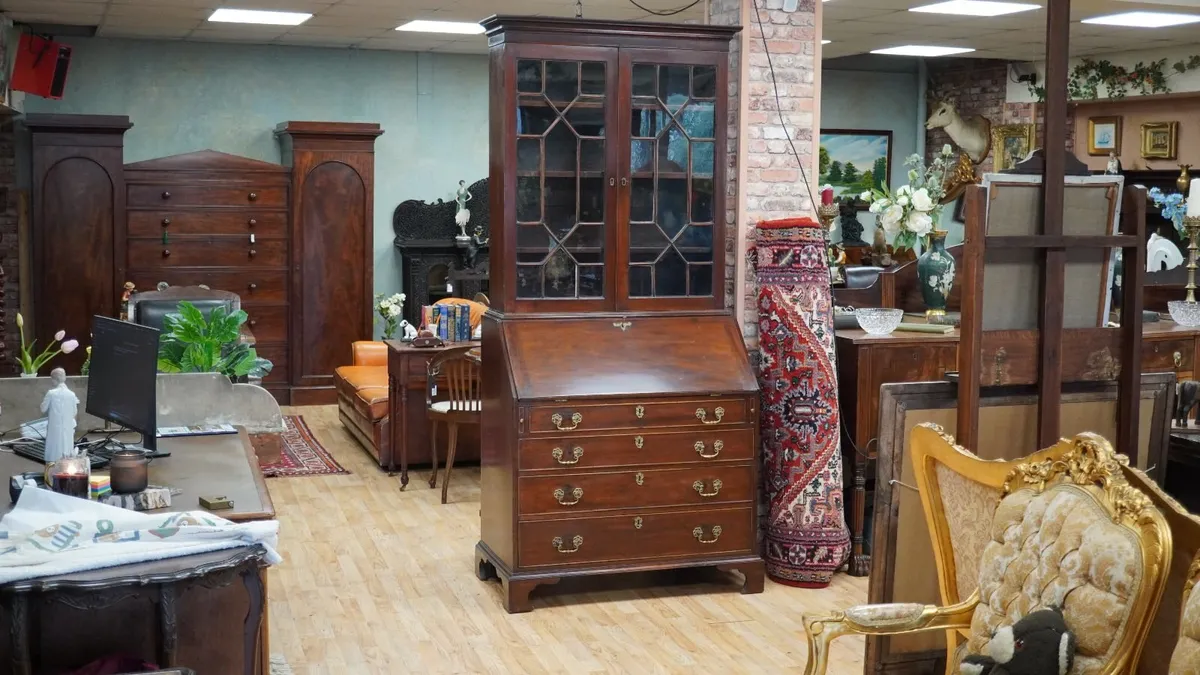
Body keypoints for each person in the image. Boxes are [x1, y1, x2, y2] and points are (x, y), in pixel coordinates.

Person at [41, 368, 79, 463]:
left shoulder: (51, 393)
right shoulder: (71, 394)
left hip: (54, 428)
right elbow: (74, 412)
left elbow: (43, 408)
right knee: (66, 448)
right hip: (67, 427)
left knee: (54, 450)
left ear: (54, 379)